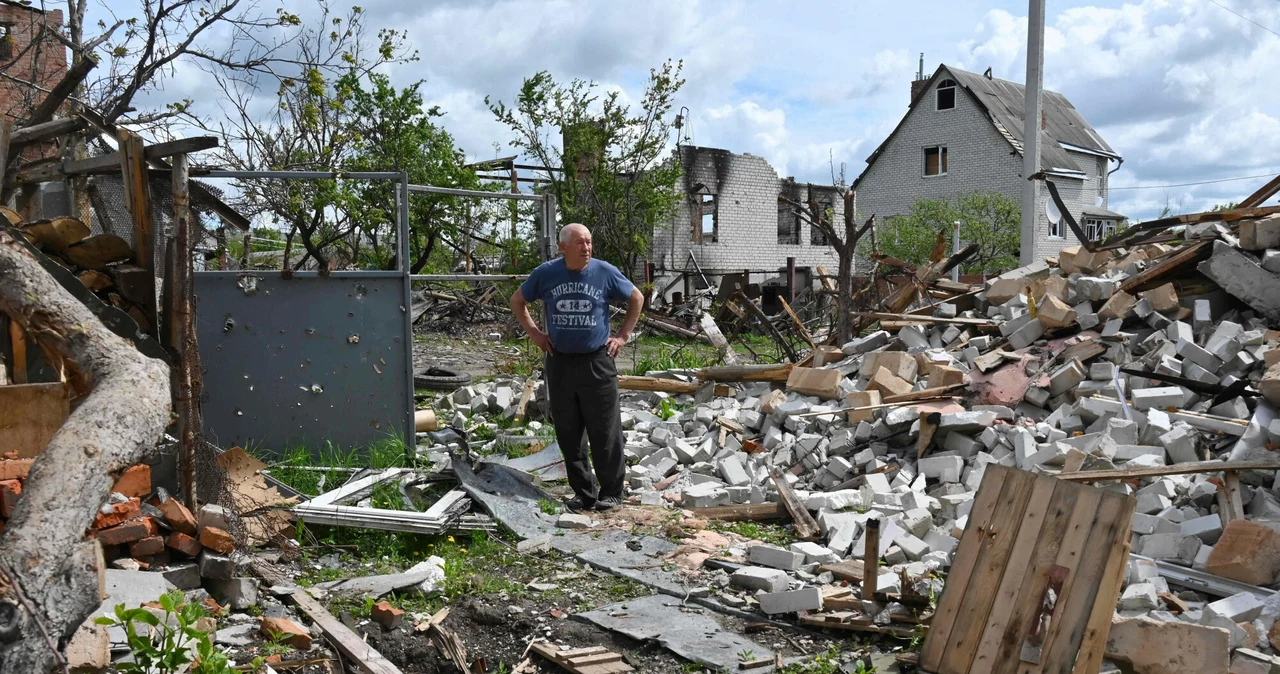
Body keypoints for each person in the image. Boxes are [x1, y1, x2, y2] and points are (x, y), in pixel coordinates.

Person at [510, 223, 643, 512]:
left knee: (604, 430)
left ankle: (611, 493)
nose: (586, 248)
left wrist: (622, 336)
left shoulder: (604, 271)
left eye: (589, 242)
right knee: (569, 432)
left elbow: (636, 298)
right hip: (560, 362)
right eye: (580, 243)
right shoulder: (546, 274)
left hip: (597, 361)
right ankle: (583, 493)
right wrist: (534, 333)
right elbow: (517, 300)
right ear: (563, 247)